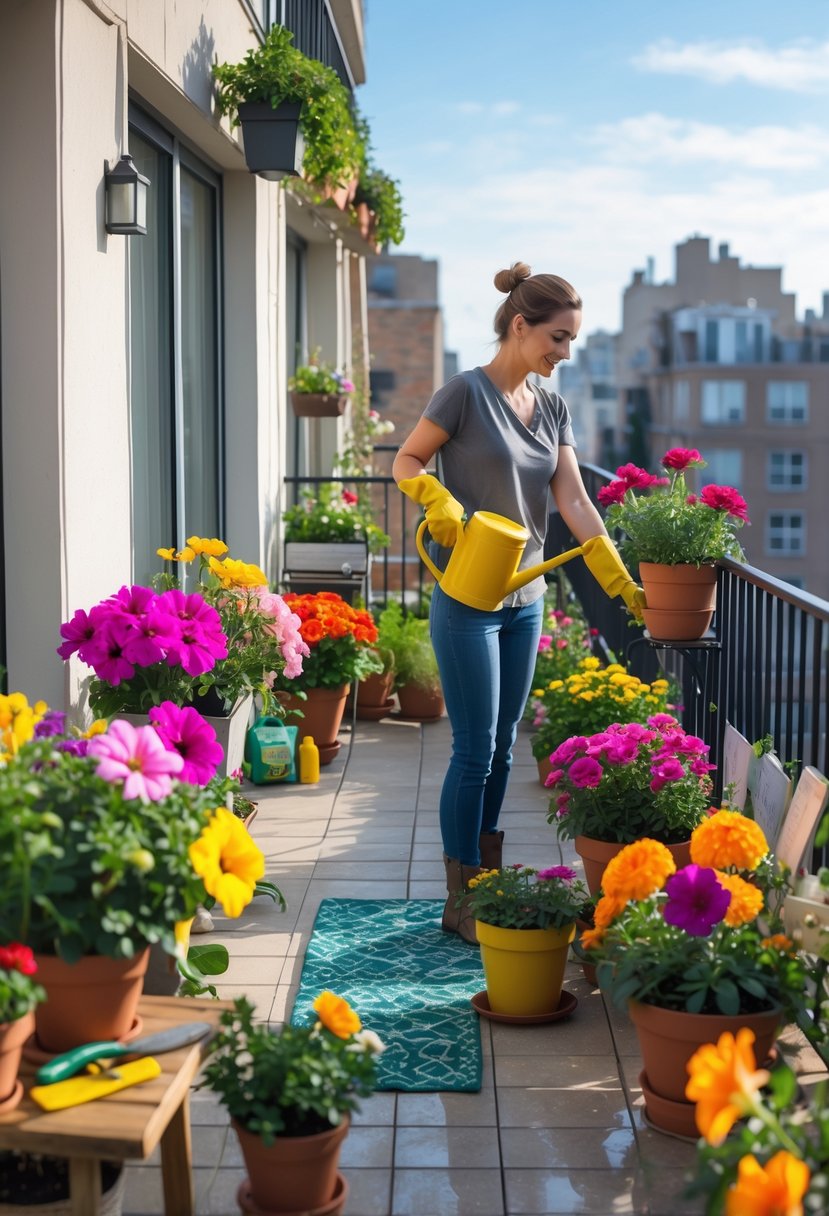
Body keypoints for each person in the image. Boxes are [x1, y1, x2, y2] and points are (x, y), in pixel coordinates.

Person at [393, 261, 644, 942]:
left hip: (524, 595)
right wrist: (437, 499)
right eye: (556, 339)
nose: (563, 354)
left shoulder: (552, 407)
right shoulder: (463, 395)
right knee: (473, 750)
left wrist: (620, 580)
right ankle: (459, 897)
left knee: (504, 748)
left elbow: (573, 500)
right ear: (519, 325)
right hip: (467, 594)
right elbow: (406, 461)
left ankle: (485, 880)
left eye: (570, 343)